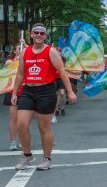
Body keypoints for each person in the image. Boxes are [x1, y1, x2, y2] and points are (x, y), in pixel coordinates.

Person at [11, 23, 77, 170]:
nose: (39, 35)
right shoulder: (25, 52)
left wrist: (70, 92)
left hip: (46, 91)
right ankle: (27, 155)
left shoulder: (51, 52)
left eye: (42, 33)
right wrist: (15, 92)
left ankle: (47, 159)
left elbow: (62, 71)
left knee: (44, 127)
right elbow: (20, 74)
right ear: (32, 35)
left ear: (45, 36)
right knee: (21, 124)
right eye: (36, 33)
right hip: (28, 91)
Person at [3, 43, 25, 150]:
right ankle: (13, 141)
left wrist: (25, 45)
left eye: (23, 49)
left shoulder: (27, 61)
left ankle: (22, 140)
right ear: (15, 51)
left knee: (23, 119)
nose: (21, 50)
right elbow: (9, 65)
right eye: (19, 49)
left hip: (25, 92)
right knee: (13, 118)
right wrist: (18, 59)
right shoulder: (10, 61)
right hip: (12, 92)